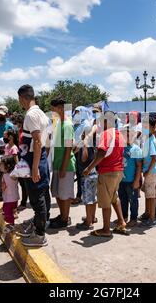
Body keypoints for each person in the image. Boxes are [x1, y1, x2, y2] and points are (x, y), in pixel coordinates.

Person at [83, 111, 128, 237]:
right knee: (114, 197)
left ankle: (106, 229)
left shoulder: (106, 134)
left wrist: (89, 168)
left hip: (108, 171)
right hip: (118, 171)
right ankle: (121, 222)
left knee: (105, 201)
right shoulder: (119, 134)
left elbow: (101, 153)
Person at [17, 84, 51, 247]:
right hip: (40, 157)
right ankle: (39, 226)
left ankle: (39, 235)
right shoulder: (42, 114)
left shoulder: (31, 115)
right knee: (42, 195)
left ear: (23, 98)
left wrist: (35, 167)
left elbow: (37, 141)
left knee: (37, 199)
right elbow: (46, 142)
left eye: (19, 100)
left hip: (34, 160)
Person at [49, 98, 76, 229]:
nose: (52, 112)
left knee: (64, 195)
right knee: (57, 192)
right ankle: (62, 215)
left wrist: (64, 167)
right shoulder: (58, 123)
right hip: (57, 164)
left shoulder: (67, 125)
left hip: (66, 165)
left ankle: (65, 219)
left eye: (53, 109)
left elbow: (69, 147)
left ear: (60, 108)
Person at [75, 123, 98, 230]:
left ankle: (88, 222)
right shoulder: (93, 144)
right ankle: (92, 217)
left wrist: (83, 146)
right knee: (93, 198)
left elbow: (84, 158)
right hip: (94, 174)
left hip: (87, 175)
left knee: (88, 199)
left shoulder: (86, 144)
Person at [118, 125, 142, 228]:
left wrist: (137, 180)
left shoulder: (136, 149)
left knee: (133, 200)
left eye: (128, 135)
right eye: (123, 134)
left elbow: (139, 166)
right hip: (121, 180)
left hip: (132, 180)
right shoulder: (120, 148)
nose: (125, 137)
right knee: (123, 199)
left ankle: (133, 218)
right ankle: (124, 217)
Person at [140, 116, 156, 227]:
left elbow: (154, 158)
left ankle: (152, 218)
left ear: (153, 128)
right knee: (148, 193)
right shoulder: (148, 139)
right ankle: (148, 213)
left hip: (151, 171)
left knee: (151, 195)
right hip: (150, 170)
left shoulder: (151, 140)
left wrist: (147, 171)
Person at [0, 156, 20, 234]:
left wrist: (2, 188)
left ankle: (11, 225)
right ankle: (14, 214)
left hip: (8, 198)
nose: (0, 166)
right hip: (15, 196)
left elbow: (3, 187)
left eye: (1, 165)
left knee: (7, 211)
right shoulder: (14, 174)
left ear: (7, 166)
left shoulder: (5, 176)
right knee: (13, 208)